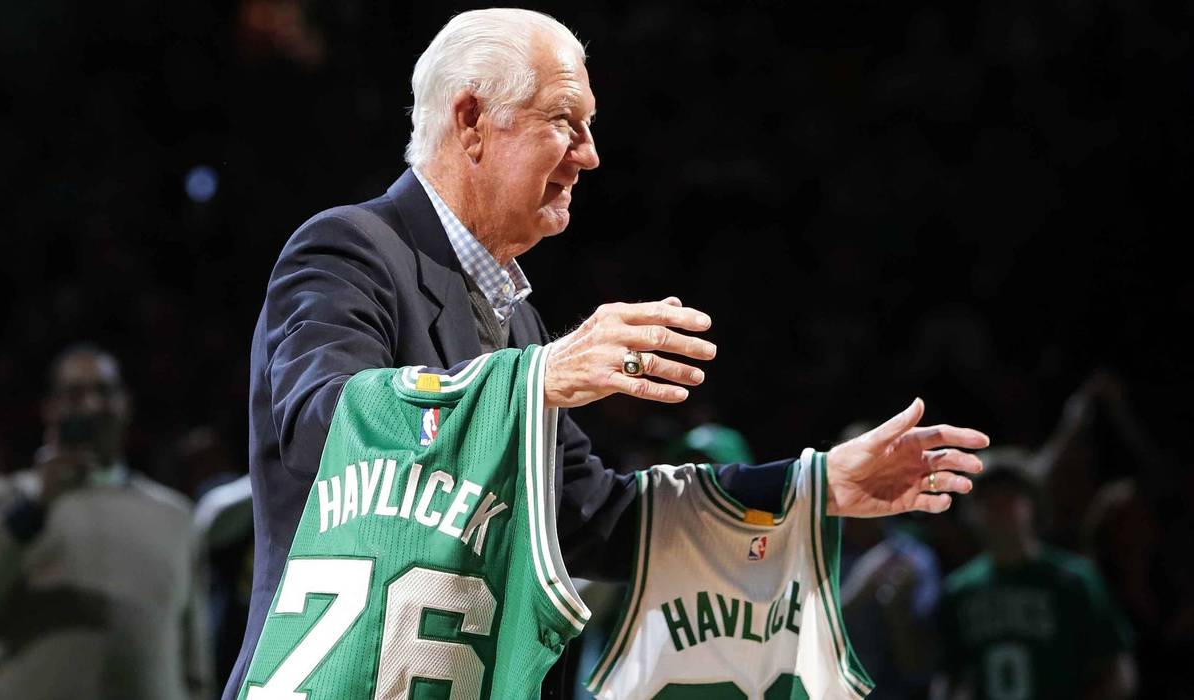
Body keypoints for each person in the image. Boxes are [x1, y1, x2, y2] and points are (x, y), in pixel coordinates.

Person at [226, 9, 989, 698]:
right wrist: (538, 377)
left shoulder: (517, 323)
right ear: (471, 120)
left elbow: (595, 519)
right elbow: (322, 420)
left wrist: (808, 486)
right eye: (565, 121)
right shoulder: (348, 249)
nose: (589, 155)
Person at [0, 345, 212, 699]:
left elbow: (196, 660)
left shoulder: (175, 516)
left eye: (104, 392)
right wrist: (38, 502)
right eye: (75, 394)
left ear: (126, 405)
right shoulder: (1, 498)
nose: (91, 406)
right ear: (50, 408)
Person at [931, 450, 1136, 700]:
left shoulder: (1073, 580)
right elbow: (948, 676)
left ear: (1032, 504)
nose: (999, 509)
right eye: (987, 499)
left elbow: (1118, 671)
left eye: (1009, 497)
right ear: (971, 512)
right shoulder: (960, 591)